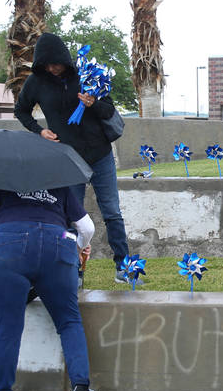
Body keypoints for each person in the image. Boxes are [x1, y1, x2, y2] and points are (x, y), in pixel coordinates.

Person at [14, 33, 134, 283]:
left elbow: (109, 109)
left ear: (65, 60)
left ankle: (124, 267)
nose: (52, 68)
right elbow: (21, 110)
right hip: (67, 158)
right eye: (46, 65)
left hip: (99, 153)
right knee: (71, 216)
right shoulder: (36, 82)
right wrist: (40, 131)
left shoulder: (86, 73)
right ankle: (73, 270)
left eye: (55, 63)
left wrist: (93, 103)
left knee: (111, 211)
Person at [0, 183, 101, 391]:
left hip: (7, 240)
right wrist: (76, 248)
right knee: (69, 321)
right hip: (59, 238)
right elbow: (87, 227)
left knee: (8, 326)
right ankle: (81, 389)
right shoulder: (58, 181)